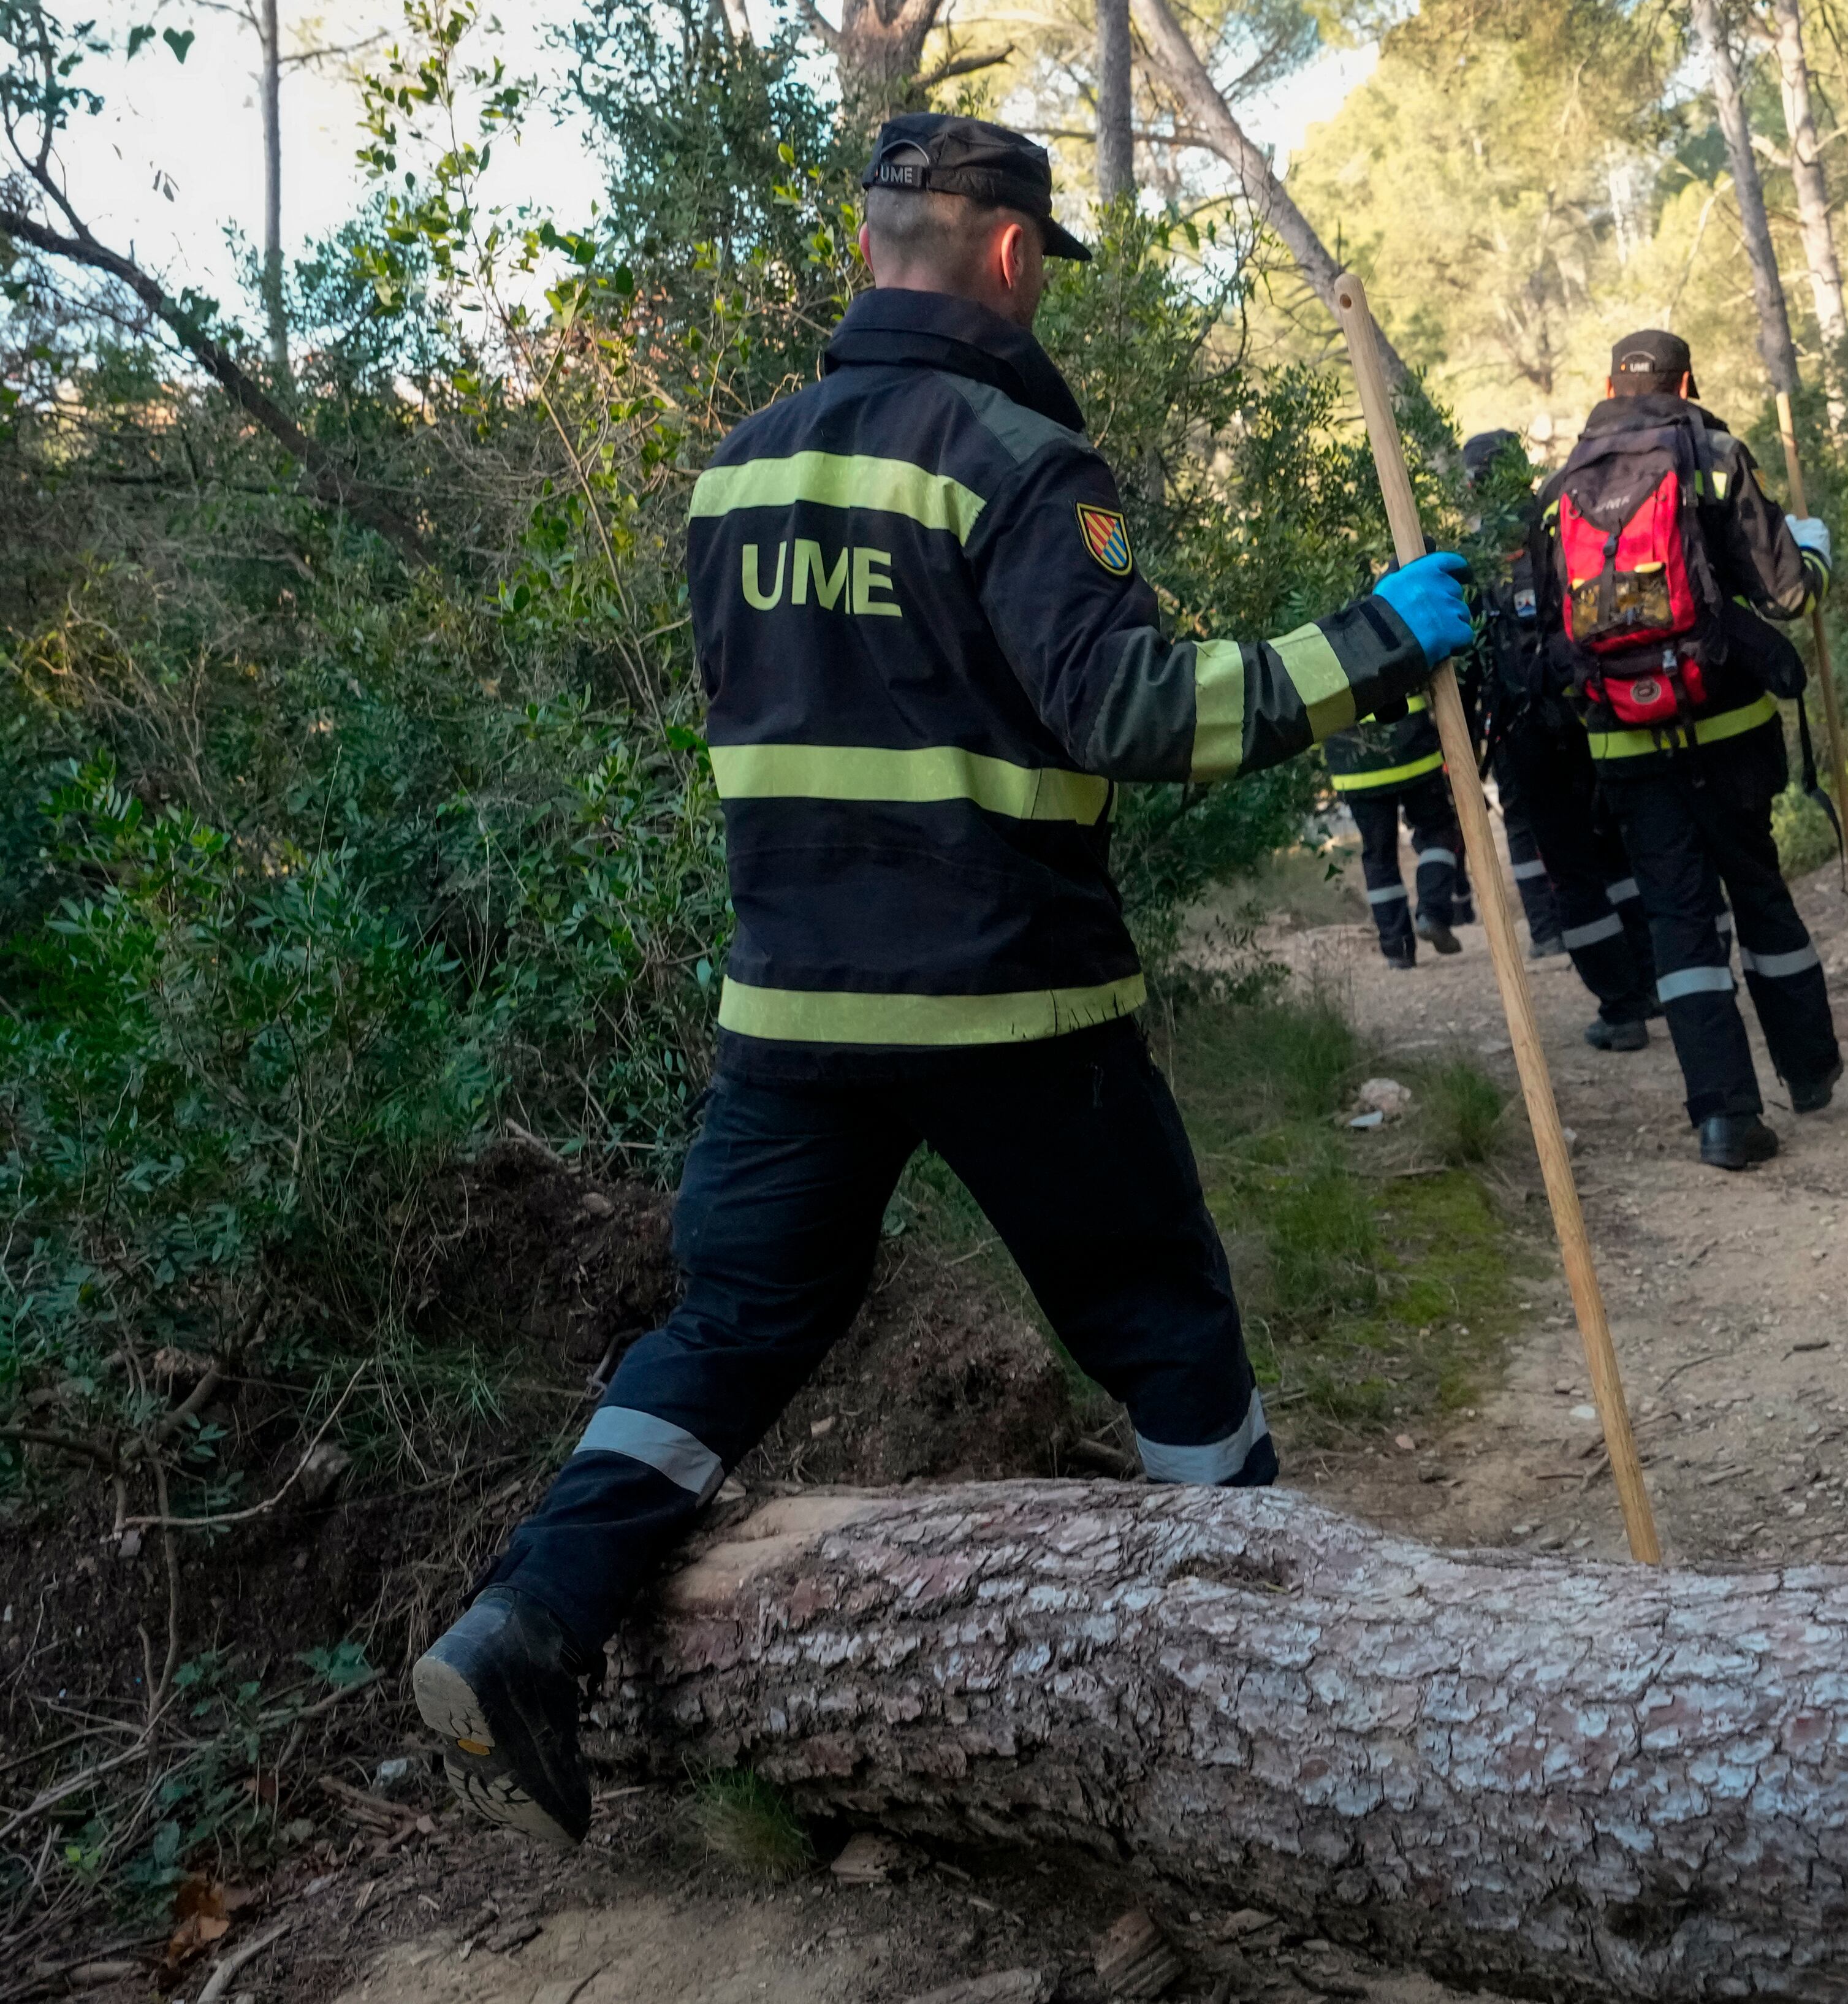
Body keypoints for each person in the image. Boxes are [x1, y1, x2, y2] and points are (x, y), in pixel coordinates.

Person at [409, 115, 1477, 1847]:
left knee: (731, 1326)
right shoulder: (1023, 461)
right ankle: (1271, 1657)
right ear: (1004, 251)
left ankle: (530, 1618)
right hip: (1009, 1007)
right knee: (1169, 1328)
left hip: (792, 1014)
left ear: (872, 248)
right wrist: (1374, 641)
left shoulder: (737, 471)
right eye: (1043, 257)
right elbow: (1135, 715)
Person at [1516, 332, 1843, 1168]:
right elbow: (1790, 590)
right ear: (1687, 382)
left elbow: (1551, 634)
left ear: (1605, 385)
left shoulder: (1557, 491)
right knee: (1760, 892)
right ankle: (1809, 1073)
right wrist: (1812, 546)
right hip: (1729, 727)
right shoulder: (1716, 455)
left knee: (1676, 918)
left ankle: (1723, 1118)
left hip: (1624, 740)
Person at [1464, 429, 1661, 1048]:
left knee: (1574, 876)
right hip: (1593, 717)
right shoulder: (1569, 527)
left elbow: (1465, 663)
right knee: (1619, 854)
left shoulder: (1468, 562)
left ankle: (1622, 1005)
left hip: (1527, 735)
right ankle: (1653, 982)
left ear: (1471, 486)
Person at [1319, 690, 1465, 967]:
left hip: (1353, 761)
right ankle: (1432, 915)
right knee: (1439, 831)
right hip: (1413, 749)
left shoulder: (1318, 647)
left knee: (1379, 855)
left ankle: (1398, 950)